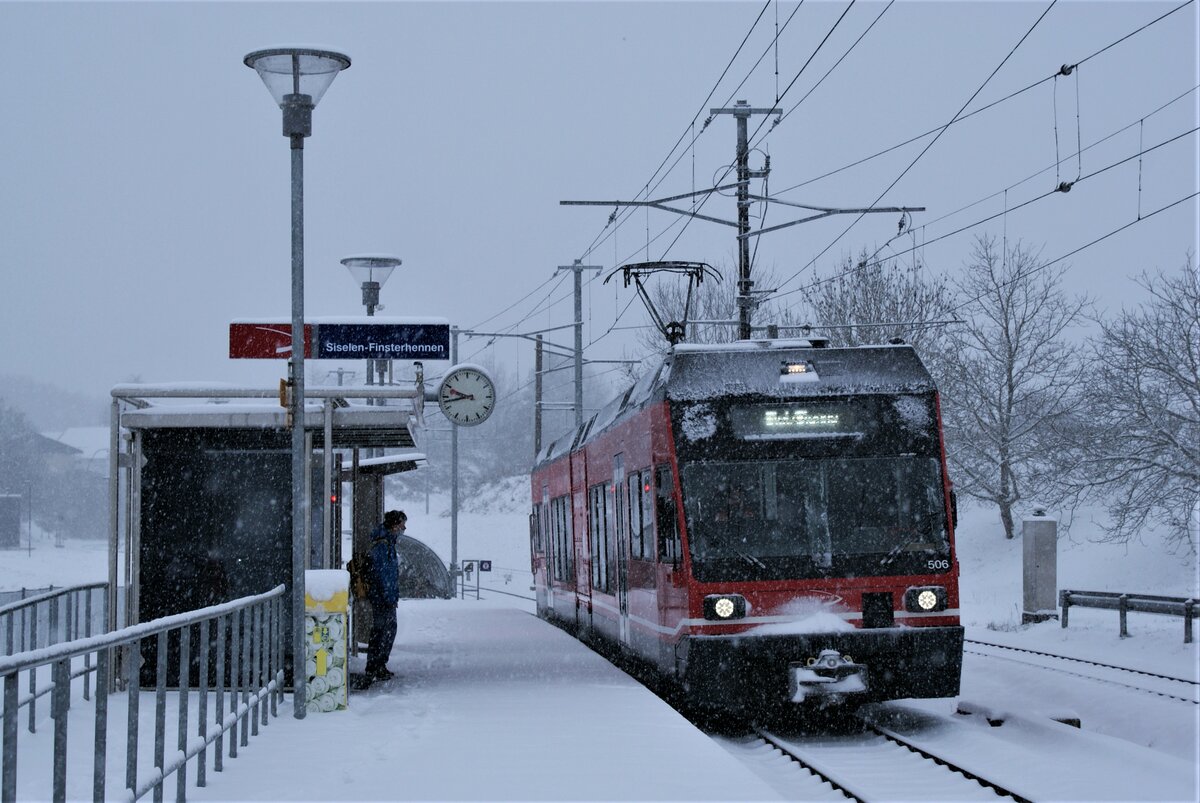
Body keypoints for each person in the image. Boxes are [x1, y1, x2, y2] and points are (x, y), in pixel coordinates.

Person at [365, 509, 405, 681]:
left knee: (382, 631)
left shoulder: (386, 543)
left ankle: (377, 665)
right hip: (382, 597)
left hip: (381, 596)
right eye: (402, 524)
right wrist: (390, 598)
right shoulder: (384, 546)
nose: (404, 528)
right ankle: (376, 665)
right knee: (384, 631)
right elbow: (384, 575)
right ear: (394, 525)